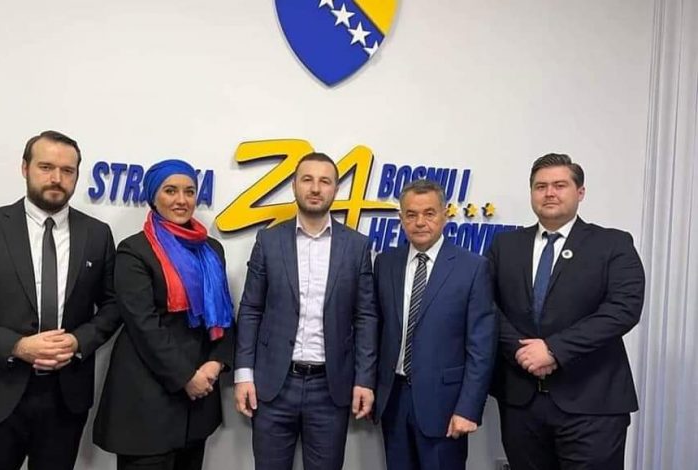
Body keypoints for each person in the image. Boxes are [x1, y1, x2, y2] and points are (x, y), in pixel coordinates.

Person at [0, 130, 120, 470]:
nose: (56, 178)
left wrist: (78, 341)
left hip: (64, 401)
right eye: (46, 167)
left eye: (67, 170)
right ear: (25, 168)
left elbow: (113, 305)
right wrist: (17, 346)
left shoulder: (97, 234)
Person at [486, 153, 645, 470]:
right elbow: (486, 306)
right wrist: (521, 352)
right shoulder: (505, 245)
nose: (549, 193)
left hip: (593, 403)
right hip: (522, 402)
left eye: (560, 185)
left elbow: (623, 308)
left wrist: (554, 350)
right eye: (540, 186)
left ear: (580, 192)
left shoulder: (613, 244)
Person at [234, 152, 377, 470]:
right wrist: (243, 374)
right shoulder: (269, 241)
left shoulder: (357, 247)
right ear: (295, 186)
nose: (315, 188)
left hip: (330, 388)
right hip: (273, 386)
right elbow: (251, 309)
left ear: (335, 189)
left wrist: (365, 379)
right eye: (307, 179)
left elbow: (365, 316)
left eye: (324, 181)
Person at [93, 159, 235, 470]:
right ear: (153, 196)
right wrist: (186, 377)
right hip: (147, 398)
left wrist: (216, 362)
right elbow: (143, 324)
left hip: (198, 401)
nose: (181, 200)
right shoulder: (134, 250)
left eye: (189, 191)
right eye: (170, 191)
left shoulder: (211, 249)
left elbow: (224, 311)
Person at [373, 179, 496, 470]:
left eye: (429, 213)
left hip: (446, 405)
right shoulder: (385, 263)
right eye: (411, 214)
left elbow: (481, 348)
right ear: (401, 218)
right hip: (394, 400)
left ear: (444, 214)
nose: (420, 222)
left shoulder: (472, 267)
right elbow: (376, 329)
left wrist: (468, 408)